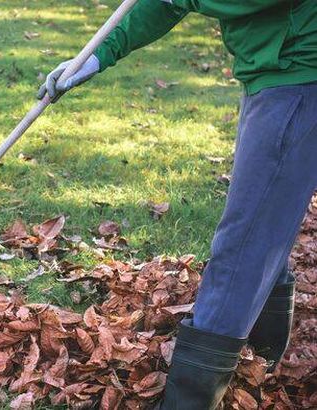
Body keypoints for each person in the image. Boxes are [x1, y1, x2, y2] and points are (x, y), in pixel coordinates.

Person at [37, 1, 317, 409]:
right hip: (275, 71)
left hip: (302, 74)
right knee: (263, 222)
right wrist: (98, 55)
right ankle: (260, 363)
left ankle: (190, 399)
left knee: (244, 244)